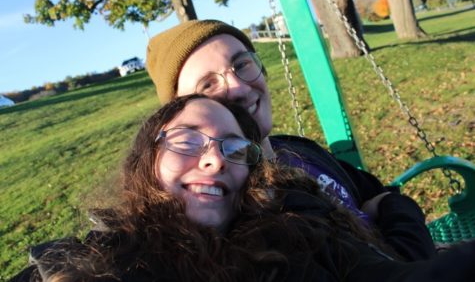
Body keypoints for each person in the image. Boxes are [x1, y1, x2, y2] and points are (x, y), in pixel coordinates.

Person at [11, 95, 475, 282]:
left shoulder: (298, 230)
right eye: (188, 138)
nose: (214, 158)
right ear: (147, 158)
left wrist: (397, 207)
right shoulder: (97, 261)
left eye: (234, 148)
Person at [145, 19, 435, 261]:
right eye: (208, 84)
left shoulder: (296, 148)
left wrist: (389, 205)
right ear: (183, 112)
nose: (238, 87)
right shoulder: (241, 207)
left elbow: (376, 190)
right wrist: (399, 211)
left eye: (242, 64)